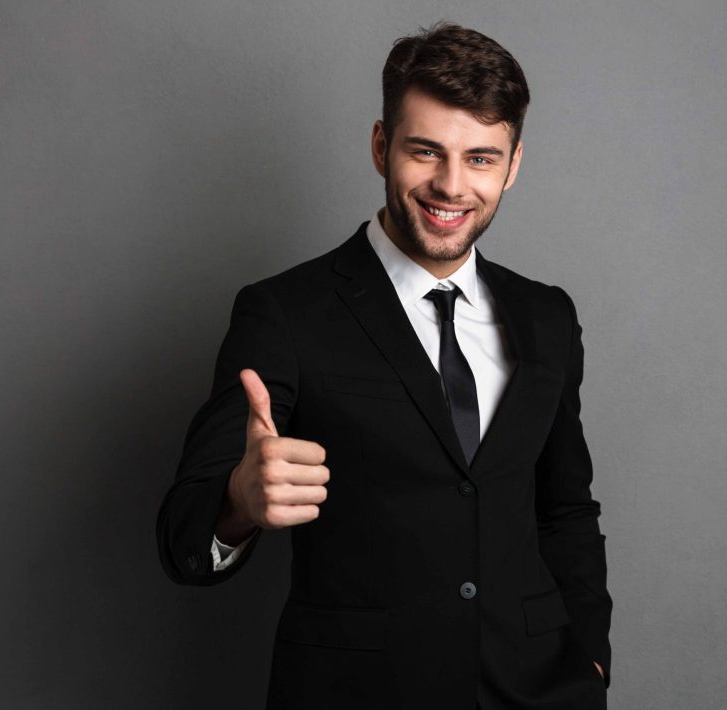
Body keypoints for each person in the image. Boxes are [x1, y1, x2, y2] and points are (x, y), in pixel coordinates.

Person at [157, 22, 612, 710]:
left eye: (481, 159)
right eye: (425, 151)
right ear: (381, 146)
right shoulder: (283, 312)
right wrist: (240, 504)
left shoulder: (547, 315)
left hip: (539, 691)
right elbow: (183, 537)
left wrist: (590, 657)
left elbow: (565, 510)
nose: (451, 186)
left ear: (514, 163)